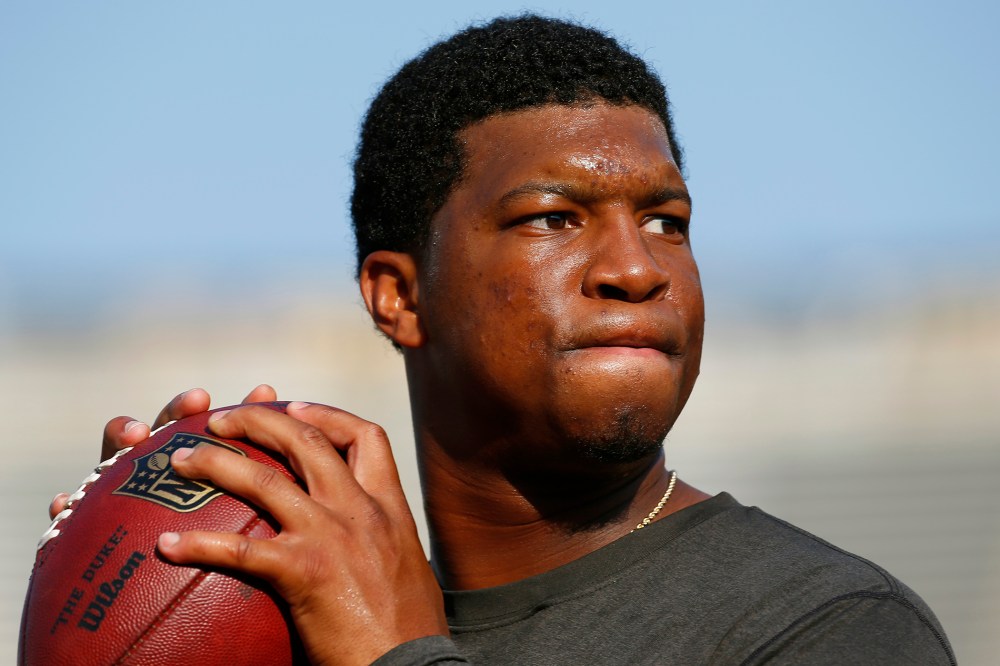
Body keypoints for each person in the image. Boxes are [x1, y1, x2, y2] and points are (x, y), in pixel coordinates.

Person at [51, 15, 955, 665]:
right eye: (554, 218)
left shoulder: (828, 625)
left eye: (667, 220)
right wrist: (144, 601)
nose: (637, 268)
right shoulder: (309, 627)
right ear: (399, 295)